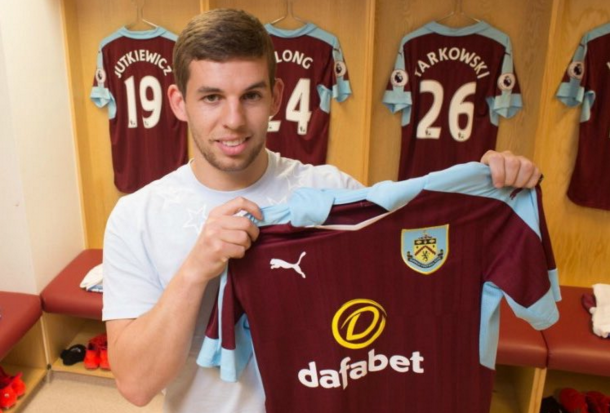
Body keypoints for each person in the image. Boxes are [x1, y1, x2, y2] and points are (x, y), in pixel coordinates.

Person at [102, 8, 543, 413]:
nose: (233, 120)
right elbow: (136, 385)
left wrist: (486, 187)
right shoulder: (136, 217)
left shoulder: (333, 192)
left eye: (251, 96)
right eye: (212, 97)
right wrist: (195, 269)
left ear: (276, 96)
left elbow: (417, 271)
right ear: (179, 102)